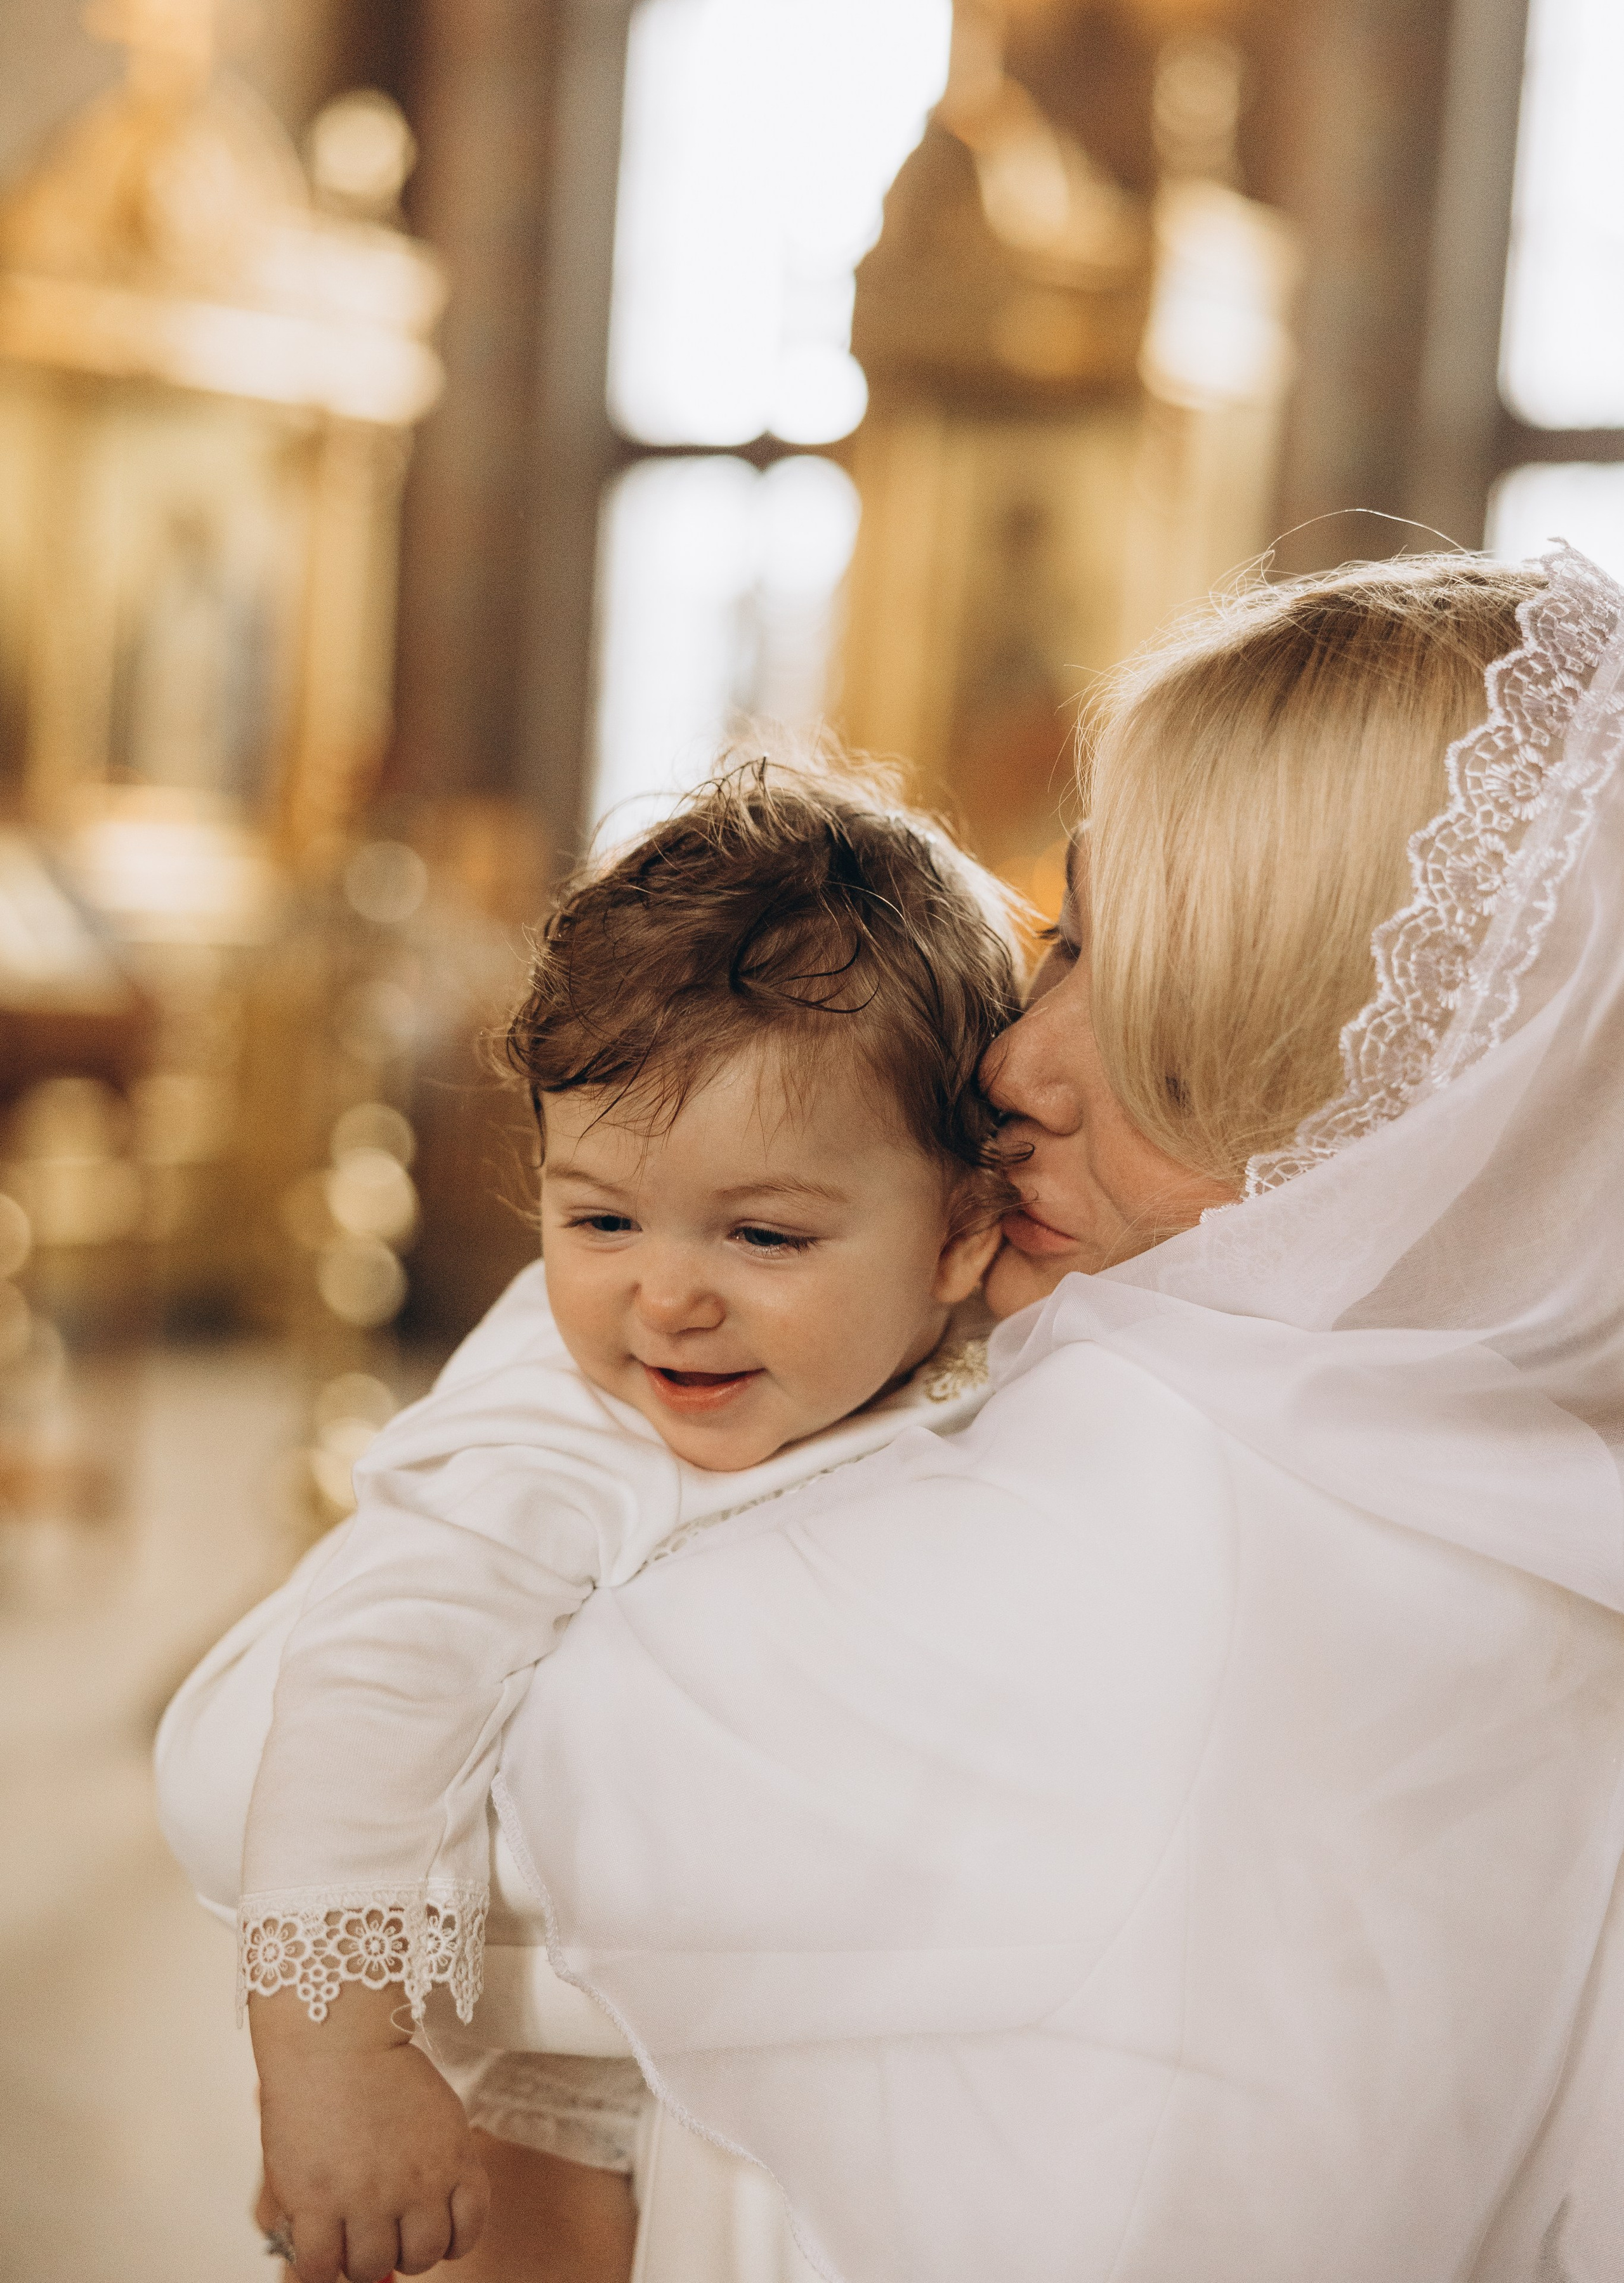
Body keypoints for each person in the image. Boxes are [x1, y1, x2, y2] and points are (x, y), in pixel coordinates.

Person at [481, 542, 1624, 2281]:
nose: (1019, 1060)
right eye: (1061, 936)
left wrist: (573, 1333)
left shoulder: (1125, 1523)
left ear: (1379, 1087)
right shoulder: (1535, 1516)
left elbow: (286, 1789)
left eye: (1132, 974)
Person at [156, 762, 1023, 2283]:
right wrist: (333, 2061)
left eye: (763, 1235)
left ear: (962, 1232)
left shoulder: (984, 1354)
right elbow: (373, 1688)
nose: (666, 1295)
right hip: (540, 2076)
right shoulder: (554, 1427)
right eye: (599, 1218)